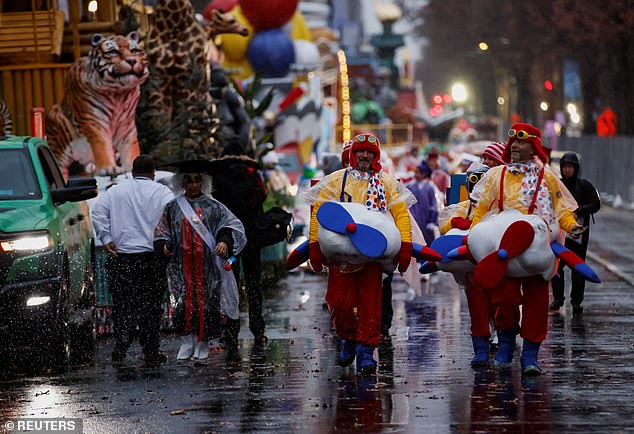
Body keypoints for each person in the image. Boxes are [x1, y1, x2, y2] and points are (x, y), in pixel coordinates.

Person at [469, 123, 584, 375]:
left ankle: (530, 355)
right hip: (505, 250)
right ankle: (506, 344)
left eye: (520, 143)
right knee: (505, 300)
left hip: (537, 251)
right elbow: (480, 210)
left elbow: (562, 209)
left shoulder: (547, 176)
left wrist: (571, 226)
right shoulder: (496, 175)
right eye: (512, 143)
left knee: (536, 303)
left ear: (534, 146)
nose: (514, 147)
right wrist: (473, 237)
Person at [304, 133, 415, 375]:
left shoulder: (386, 183)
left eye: (370, 152)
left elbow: (401, 214)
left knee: (370, 305)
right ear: (352, 154)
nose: (365, 156)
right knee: (339, 303)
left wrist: (405, 244)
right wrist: (314, 244)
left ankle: (366, 350)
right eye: (360, 151)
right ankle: (348, 339)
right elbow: (319, 212)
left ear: (376, 156)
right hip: (341, 255)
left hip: (371, 258)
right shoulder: (335, 180)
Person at [154, 160, 247, 363]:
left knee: (207, 303)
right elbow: (163, 231)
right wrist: (165, 244)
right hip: (180, 267)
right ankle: (187, 341)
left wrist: (223, 242)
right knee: (182, 303)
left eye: (197, 180)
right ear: (182, 183)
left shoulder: (213, 206)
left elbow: (227, 226)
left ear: (203, 182)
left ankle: (203, 343)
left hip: (208, 266)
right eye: (189, 181)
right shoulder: (172, 207)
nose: (193, 185)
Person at [91, 155, 174, 368]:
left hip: (122, 258)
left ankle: (121, 347)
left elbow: (98, 213)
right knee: (151, 307)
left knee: (123, 306)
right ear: (153, 173)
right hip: (152, 259)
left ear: (132, 172)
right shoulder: (163, 193)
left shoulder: (116, 191)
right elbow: (174, 217)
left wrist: (107, 239)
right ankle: (151, 351)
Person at [210, 154, 269, 349]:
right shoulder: (252, 175)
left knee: (230, 284)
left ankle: (231, 330)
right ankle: (258, 329)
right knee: (253, 284)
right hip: (251, 240)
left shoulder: (218, 178)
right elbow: (263, 196)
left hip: (230, 241)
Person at [550, 152, 601, 315]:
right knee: (557, 267)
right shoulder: (557, 186)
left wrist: (581, 210)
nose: (567, 170)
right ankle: (558, 298)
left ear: (576, 168)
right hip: (560, 234)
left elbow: (596, 204)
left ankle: (577, 301)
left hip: (578, 234)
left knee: (578, 268)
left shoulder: (584, 185)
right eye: (565, 167)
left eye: (570, 167)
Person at [406, 161, 439, 246]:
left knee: (427, 242)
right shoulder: (410, 186)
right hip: (414, 219)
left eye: (417, 172)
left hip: (426, 220)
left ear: (424, 174)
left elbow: (434, 206)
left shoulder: (430, 187)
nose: (415, 174)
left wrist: (432, 221)